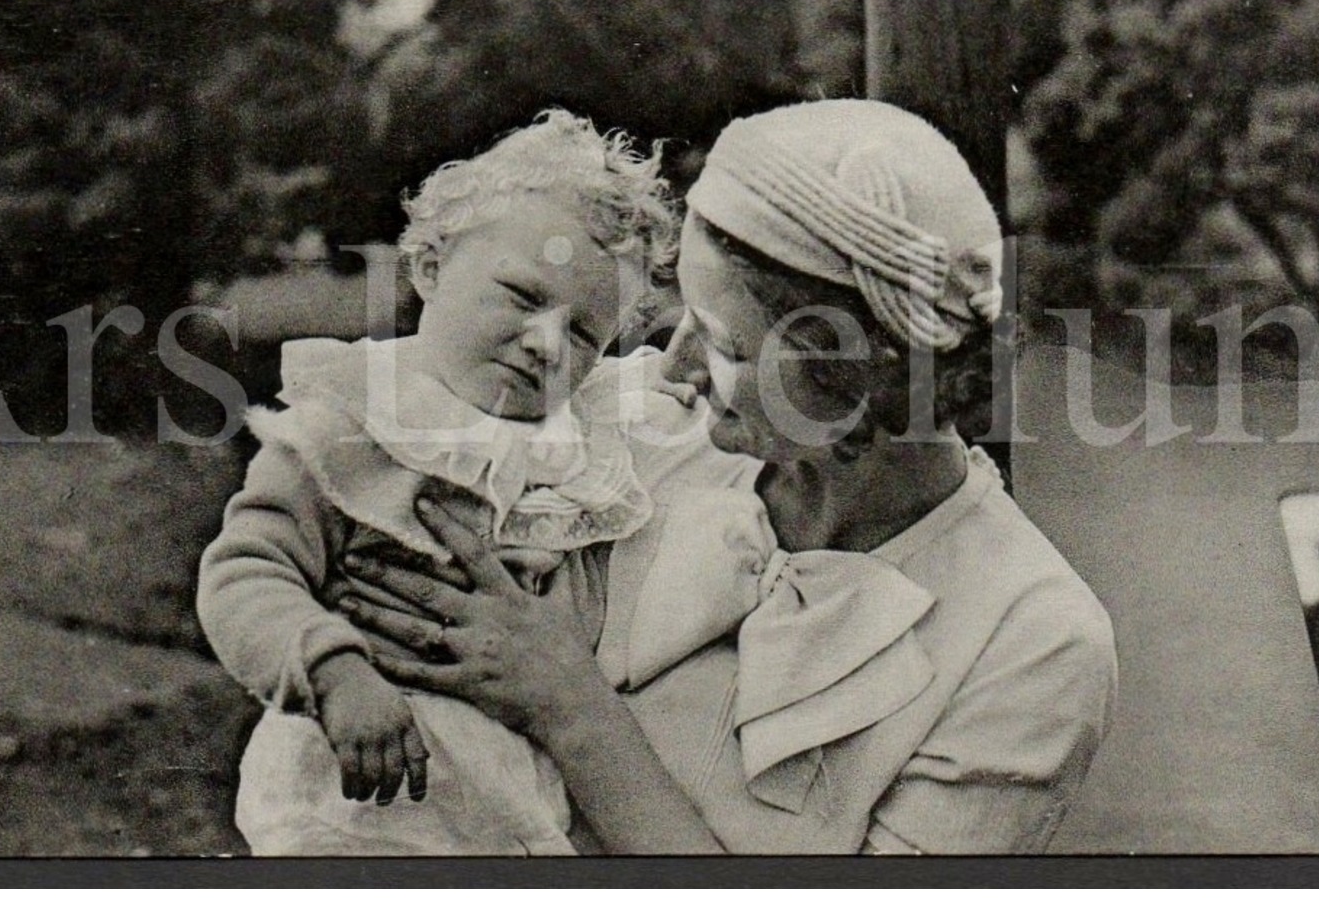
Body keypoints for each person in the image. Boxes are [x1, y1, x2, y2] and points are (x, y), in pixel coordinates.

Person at [339, 99, 1119, 854]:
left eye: (724, 345)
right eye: (682, 316)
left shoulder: (1033, 641)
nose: (670, 366)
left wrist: (568, 708)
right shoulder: (621, 425)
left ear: (854, 376)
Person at [197, 111, 772, 855]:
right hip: (355, 804)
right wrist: (334, 671)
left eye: (581, 335)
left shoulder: (576, 444)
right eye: (522, 297)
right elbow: (243, 572)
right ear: (431, 266)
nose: (543, 345)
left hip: (509, 818)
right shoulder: (353, 423)